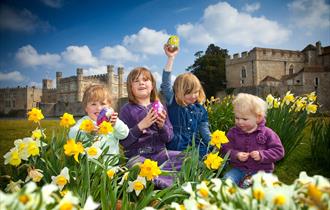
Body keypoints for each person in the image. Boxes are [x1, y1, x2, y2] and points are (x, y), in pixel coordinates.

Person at [119, 67, 182, 189]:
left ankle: (156, 180)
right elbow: (124, 142)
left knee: (187, 157)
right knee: (135, 167)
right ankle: (165, 182)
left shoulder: (160, 107)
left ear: (152, 85)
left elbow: (169, 138)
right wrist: (140, 126)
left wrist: (161, 126)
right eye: (136, 81)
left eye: (145, 79)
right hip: (138, 156)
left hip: (160, 154)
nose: (141, 83)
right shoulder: (126, 110)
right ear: (130, 87)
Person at [221, 93, 285, 188]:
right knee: (227, 181)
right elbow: (224, 149)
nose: (239, 122)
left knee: (251, 186)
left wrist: (262, 155)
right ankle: (230, 199)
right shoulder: (232, 133)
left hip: (261, 171)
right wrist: (236, 155)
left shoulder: (267, 133)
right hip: (239, 169)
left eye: (244, 119)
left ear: (258, 118)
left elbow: (279, 151)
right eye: (237, 118)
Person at [160, 44, 211, 158]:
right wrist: (170, 58)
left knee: (210, 158)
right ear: (179, 92)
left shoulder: (200, 109)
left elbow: (204, 131)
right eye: (189, 92)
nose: (194, 96)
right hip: (176, 146)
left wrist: (214, 143)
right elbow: (166, 84)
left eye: (196, 91)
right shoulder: (174, 102)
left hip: (195, 146)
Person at [69, 85, 129, 159]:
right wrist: (86, 131)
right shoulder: (85, 122)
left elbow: (124, 134)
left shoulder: (112, 121)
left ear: (110, 106)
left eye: (103, 104)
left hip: (110, 166)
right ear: (86, 108)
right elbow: (72, 134)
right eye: (93, 104)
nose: (99, 108)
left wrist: (116, 124)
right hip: (90, 166)